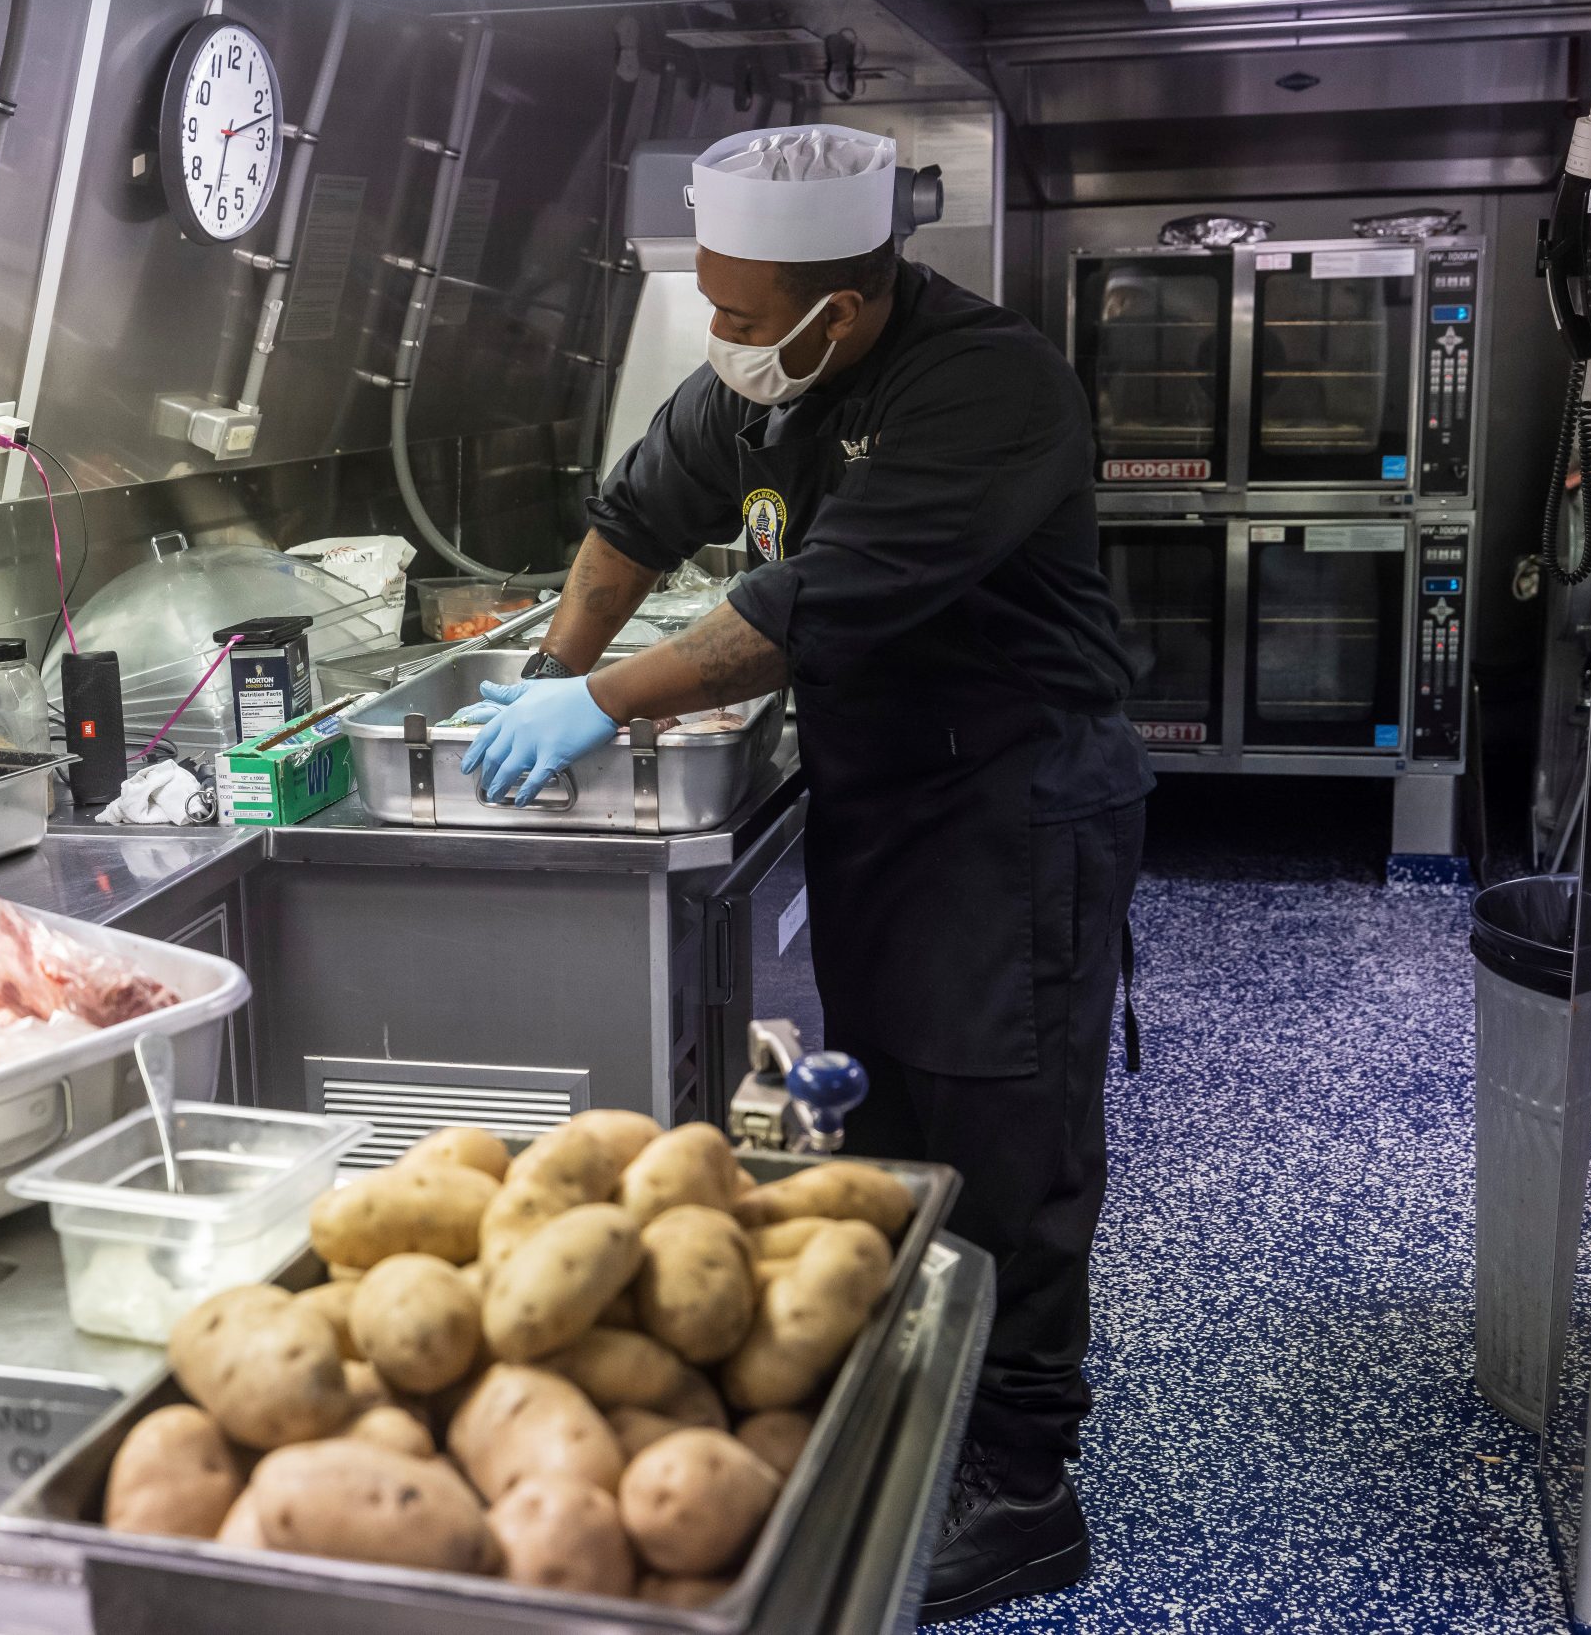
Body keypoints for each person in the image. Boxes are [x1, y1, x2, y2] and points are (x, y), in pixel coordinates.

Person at [458, 124, 1153, 1615]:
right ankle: (929, 1399)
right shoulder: (757, 386)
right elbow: (632, 523)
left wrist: (605, 705)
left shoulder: (990, 386)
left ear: (848, 302)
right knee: (898, 1118)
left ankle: (1027, 1487)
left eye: (750, 313)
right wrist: (541, 675)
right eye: (710, 303)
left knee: (1011, 1135)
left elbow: (802, 605)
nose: (725, 338)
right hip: (885, 796)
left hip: (1018, 803)